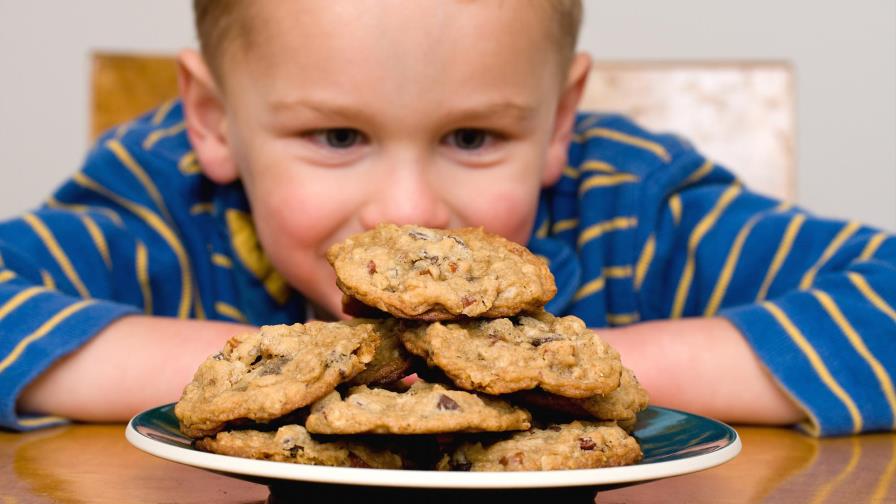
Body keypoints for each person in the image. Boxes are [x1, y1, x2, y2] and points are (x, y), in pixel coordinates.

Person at [1, 0, 893, 436]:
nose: (411, 216)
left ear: (558, 123)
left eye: (472, 136)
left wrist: (554, 376)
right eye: (337, 135)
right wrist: (269, 374)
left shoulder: (630, 206)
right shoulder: (162, 202)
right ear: (214, 122)